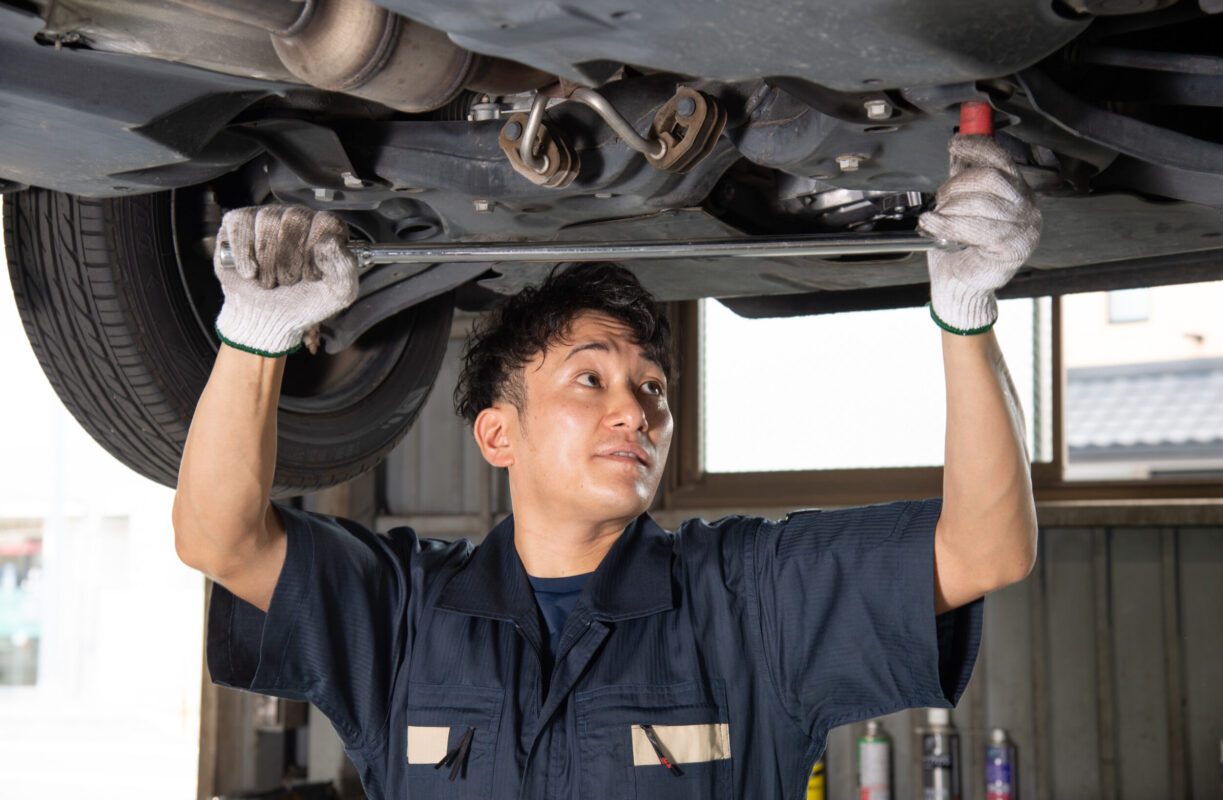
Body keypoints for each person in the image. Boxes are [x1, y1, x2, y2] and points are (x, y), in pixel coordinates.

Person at [172, 134, 1042, 799]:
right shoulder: (402, 614)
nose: (637, 410)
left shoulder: (748, 601)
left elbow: (985, 549)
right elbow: (218, 538)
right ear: (497, 435)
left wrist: (964, 313)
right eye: (590, 379)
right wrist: (255, 337)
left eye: (652, 388)